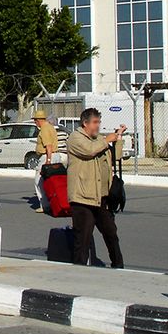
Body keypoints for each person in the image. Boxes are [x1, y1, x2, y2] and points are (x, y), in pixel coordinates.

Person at [67, 108, 125, 268]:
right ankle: (79, 269)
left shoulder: (99, 139)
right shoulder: (75, 138)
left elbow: (115, 157)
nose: (97, 126)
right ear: (85, 123)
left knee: (111, 233)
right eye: (95, 122)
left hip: (101, 197)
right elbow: (89, 151)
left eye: (99, 122)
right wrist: (106, 140)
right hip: (82, 197)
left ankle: (118, 265)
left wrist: (118, 138)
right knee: (83, 238)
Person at [32, 109, 67, 213]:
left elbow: (48, 146)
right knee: (51, 181)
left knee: (39, 181)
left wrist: (48, 160)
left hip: (47, 156)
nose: (35, 122)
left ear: (39, 120)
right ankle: (54, 202)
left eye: (35, 120)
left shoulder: (44, 129)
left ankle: (44, 205)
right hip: (55, 156)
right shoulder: (50, 127)